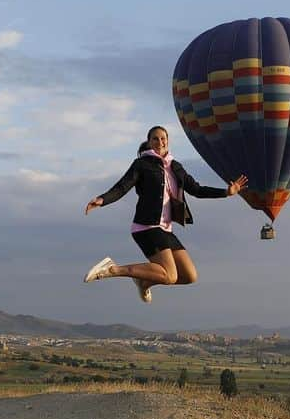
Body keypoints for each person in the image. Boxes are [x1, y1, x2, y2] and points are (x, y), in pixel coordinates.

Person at [83, 126, 247, 303]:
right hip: (146, 227)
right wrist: (102, 199)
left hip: (166, 230)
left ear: (168, 140)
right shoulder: (142, 164)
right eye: (155, 139)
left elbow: (197, 189)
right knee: (169, 275)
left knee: (189, 276)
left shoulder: (176, 167)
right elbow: (122, 187)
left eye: (163, 138)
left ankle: (143, 281)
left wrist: (226, 192)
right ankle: (113, 269)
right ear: (149, 142)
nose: (160, 142)